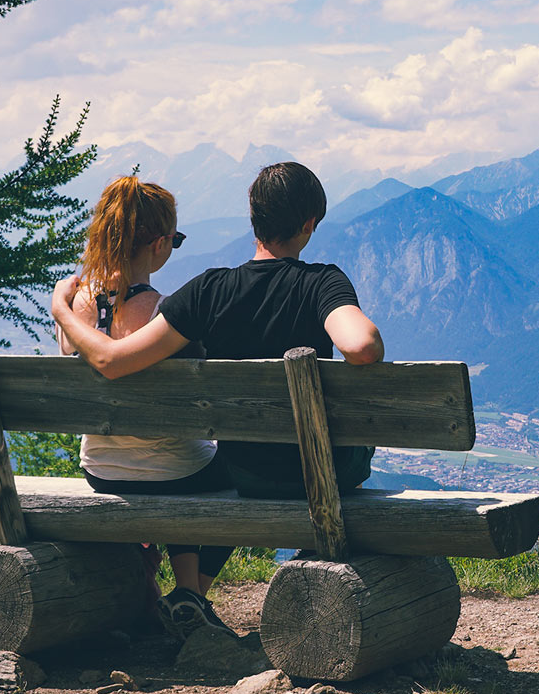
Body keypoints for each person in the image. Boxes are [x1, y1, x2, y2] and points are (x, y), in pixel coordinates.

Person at [51, 161, 384, 503]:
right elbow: (361, 346)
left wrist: (62, 308)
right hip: (319, 470)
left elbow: (113, 359)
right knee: (360, 443)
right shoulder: (322, 282)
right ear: (309, 224)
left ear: (255, 219)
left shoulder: (207, 290)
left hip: (245, 472)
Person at [55, 175, 238, 641]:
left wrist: (62, 308)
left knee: (174, 463)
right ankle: (192, 592)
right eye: (174, 241)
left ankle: (184, 592)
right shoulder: (164, 312)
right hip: (178, 474)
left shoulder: (74, 307)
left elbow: (69, 353)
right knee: (230, 468)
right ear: (158, 244)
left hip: (101, 469)